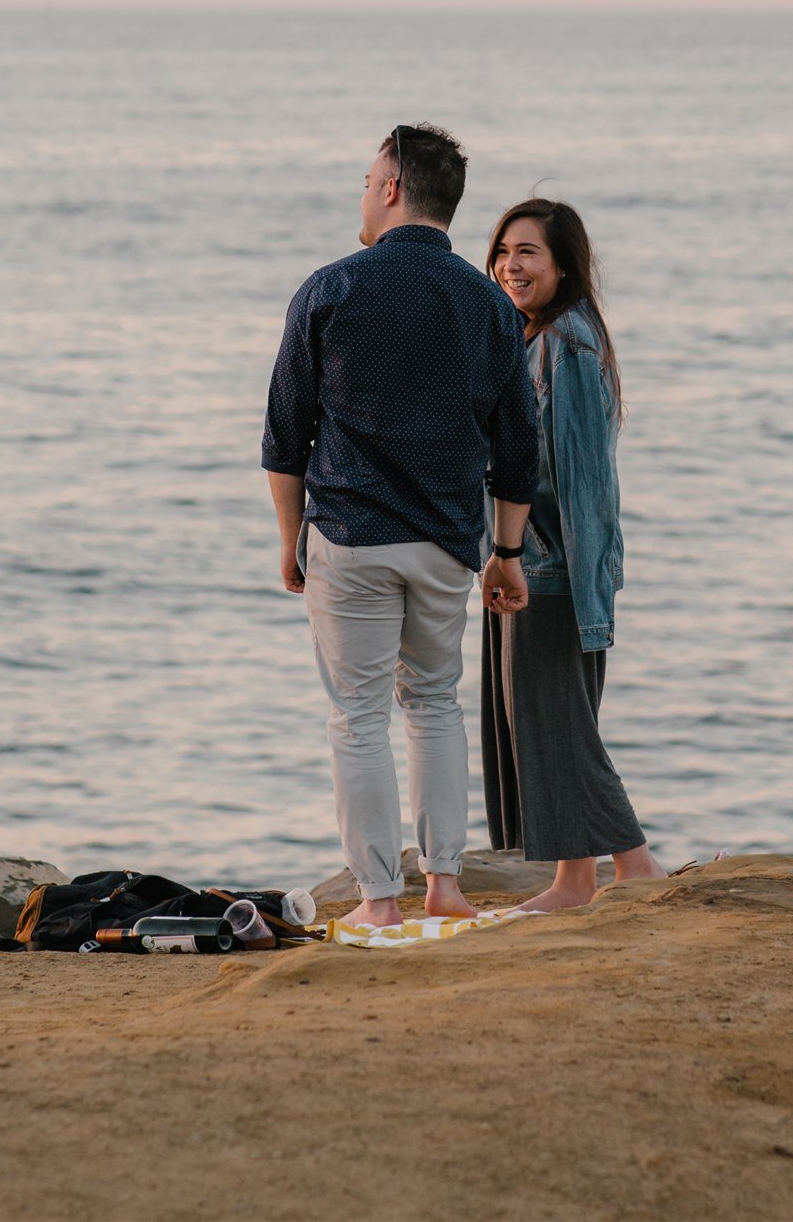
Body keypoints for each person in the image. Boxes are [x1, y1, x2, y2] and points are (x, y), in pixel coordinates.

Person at [262, 123, 538, 929]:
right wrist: (507, 555)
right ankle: (445, 885)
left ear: (390, 189)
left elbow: (286, 433)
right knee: (434, 707)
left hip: (348, 536)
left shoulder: (331, 288)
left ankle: (380, 899)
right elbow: (515, 446)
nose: (361, 191)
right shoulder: (488, 301)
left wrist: (289, 541)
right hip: (448, 542)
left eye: (365, 178)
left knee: (356, 718)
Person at [482, 198, 668, 912]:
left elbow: (579, 480)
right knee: (547, 720)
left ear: (564, 264)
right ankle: (589, 875)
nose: (509, 265)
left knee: (558, 723)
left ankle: (611, 872)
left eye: (527, 251)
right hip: (529, 562)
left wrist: (559, 576)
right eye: (502, 250)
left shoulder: (568, 345)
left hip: (550, 569)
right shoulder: (537, 340)